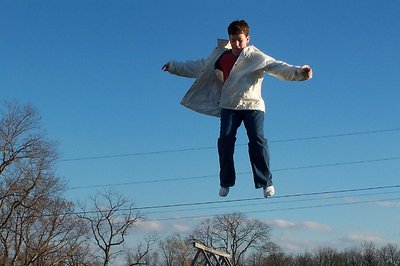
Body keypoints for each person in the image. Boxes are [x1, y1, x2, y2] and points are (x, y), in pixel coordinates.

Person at [162, 20, 312, 198]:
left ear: (247, 39)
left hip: (252, 105)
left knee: (257, 140)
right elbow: (197, 66)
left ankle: (265, 182)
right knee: (225, 142)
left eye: (240, 40)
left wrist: (301, 72)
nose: (237, 44)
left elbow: (278, 67)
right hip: (229, 105)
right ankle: (225, 182)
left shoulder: (256, 57)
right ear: (229, 40)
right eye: (233, 40)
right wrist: (174, 67)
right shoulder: (220, 56)